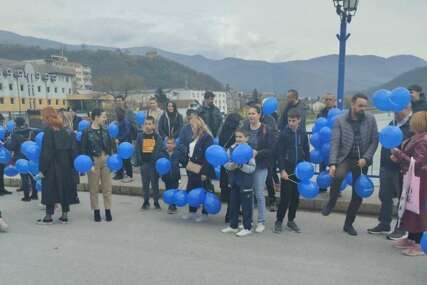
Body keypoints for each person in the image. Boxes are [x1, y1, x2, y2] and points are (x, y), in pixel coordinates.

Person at [321, 93, 379, 236]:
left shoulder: (371, 119)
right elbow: (334, 143)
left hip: (361, 161)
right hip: (345, 158)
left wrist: (366, 158)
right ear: (352, 104)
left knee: (358, 194)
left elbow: (374, 141)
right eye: (360, 105)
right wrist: (332, 163)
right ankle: (331, 202)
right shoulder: (340, 121)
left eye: (364, 106)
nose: (362, 109)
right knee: (338, 175)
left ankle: (348, 224)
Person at [368, 105, 413, 238]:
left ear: (408, 109)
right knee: (385, 195)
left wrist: (400, 156)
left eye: (399, 109)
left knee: (402, 198)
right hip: (387, 166)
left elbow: (413, 147)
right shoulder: (392, 123)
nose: (395, 112)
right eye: (394, 109)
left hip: (402, 168)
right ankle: (384, 223)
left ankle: (401, 228)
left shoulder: (412, 126)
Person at [390, 111, 427, 256]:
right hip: (412, 177)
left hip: (420, 179)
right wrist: (399, 158)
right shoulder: (417, 137)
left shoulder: (423, 140)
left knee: (417, 208)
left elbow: (418, 163)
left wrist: (399, 154)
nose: (410, 122)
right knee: (410, 207)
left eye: (413, 120)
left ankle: (418, 243)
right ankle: (411, 238)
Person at [37, 107, 77, 225]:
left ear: (46, 116)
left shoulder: (49, 130)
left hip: (52, 165)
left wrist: (42, 169)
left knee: (50, 189)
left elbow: (46, 152)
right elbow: (74, 149)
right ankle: (64, 216)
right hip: (66, 164)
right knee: (65, 188)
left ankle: (48, 217)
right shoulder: (67, 130)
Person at [273, 111, 309, 234]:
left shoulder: (303, 133)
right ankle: (278, 221)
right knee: (285, 198)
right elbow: (280, 154)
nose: (291, 123)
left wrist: (307, 167)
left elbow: (306, 150)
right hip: (287, 170)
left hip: (299, 170)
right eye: (289, 121)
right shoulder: (284, 134)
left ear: (299, 120)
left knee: (295, 198)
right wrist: (282, 170)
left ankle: (291, 221)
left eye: (294, 121)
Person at [242, 105, 274, 233]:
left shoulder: (266, 129)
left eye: (253, 114)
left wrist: (257, 153)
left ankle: (261, 221)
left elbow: (271, 150)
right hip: (247, 166)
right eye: (249, 114)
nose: (251, 116)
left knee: (259, 194)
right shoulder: (244, 129)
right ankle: (248, 220)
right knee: (247, 193)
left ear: (259, 115)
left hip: (260, 166)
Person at [81, 108, 115, 222]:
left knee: (107, 187)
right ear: (96, 117)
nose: (105, 119)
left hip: (105, 159)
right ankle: (96, 210)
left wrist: (110, 157)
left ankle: (108, 210)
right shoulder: (86, 131)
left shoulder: (105, 130)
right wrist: (88, 163)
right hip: (93, 160)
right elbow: (83, 148)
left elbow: (110, 145)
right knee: (94, 187)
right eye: (103, 117)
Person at [221, 128, 256, 237]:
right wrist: (230, 166)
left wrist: (241, 166)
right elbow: (225, 163)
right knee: (233, 205)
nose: (238, 139)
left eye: (241, 137)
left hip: (246, 183)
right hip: (234, 181)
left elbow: (252, 168)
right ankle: (233, 225)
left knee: (246, 206)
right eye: (236, 137)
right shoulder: (230, 149)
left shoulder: (249, 151)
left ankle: (247, 227)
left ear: (247, 138)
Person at [182, 116, 215, 222]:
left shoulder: (207, 137)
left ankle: (205, 213)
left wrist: (205, 172)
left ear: (198, 125)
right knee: (192, 190)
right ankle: (192, 211)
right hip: (192, 167)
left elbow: (208, 156)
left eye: (192, 125)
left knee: (203, 190)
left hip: (202, 167)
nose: (191, 128)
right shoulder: (194, 137)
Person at [5, 117, 36, 201]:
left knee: (24, 176)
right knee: (32, 175)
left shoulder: (15, 134)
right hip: (31, 155)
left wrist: (6, 143)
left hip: (20, 157)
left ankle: (26, 197)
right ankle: (34, 194)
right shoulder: (31, 131)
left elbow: (11, 147)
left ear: (17, 124)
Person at [136, 116, 163, 210]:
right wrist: (140, 161)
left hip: (153, 164)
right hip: (144, 164)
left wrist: (154, 159)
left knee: (155, 184)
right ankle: (146, 201)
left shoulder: (157, 136)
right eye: (146, 124)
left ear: (153, 126)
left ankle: (156, 202)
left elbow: (159, 149)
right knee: (145, 184)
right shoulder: (140, 136)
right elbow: (137, 149)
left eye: (149, 124)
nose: (147, 126)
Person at [217, 113, 242, 207]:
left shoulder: (223, 131)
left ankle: (229, 208)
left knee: (226, 184)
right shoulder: (235, 133)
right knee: (234, 187)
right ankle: (233, 210)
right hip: (233, 160)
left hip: (224, 160)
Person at [159, 137, 187, 214]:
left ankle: (173, 206)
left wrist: (185, 154)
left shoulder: (178, 153)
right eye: (168, 143)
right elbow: (159, 164)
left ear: (175, 145)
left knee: (174, 190)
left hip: (175, 175)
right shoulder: (162, 153)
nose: (170, 145)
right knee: (168, 189)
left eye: (172, 143)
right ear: (165, 144)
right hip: (166, 176)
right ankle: (170, 205)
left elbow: (184, 162)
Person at [317, 93, 337, 193]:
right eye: (326, 99)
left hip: (335, 145)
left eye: (330, 99)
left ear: (334, 101)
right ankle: (322, 186)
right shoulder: (321, 113)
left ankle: (336, 189)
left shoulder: (339, 113)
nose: (328, 101)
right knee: (322, 166)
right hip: (322, 145)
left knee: (334, 167)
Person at [113, 107, 133, 183]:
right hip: (120, 143)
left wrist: (119, 139)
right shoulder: (118, 121)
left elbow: (127, 132)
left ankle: (130, 175)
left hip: (126, 144)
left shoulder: (126, 121)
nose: (116, 115)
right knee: (120, 159)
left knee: (127, 160)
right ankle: (120, 174)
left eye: (117, 114)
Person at [0, 113, 11, 196]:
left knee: (1, 172)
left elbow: (3, 141)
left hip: (2, 154)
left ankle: (2, 189)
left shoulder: (2, 129)